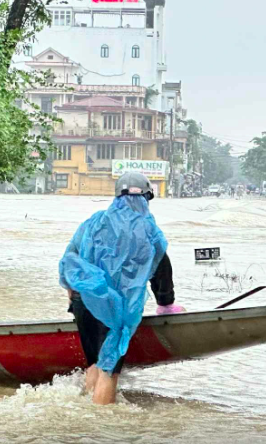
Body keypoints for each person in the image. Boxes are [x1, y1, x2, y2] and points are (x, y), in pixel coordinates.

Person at [60, 172, 184, 404]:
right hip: (115, 309)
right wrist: (166, 304)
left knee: (94, 362)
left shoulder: (93, 222)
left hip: (83, 300)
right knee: (110, 369)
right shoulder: (148, 231)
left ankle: (84, 415)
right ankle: (103, 420)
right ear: (146, 198)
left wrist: (73, 297)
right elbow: (161, 269)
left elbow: (69, 259)